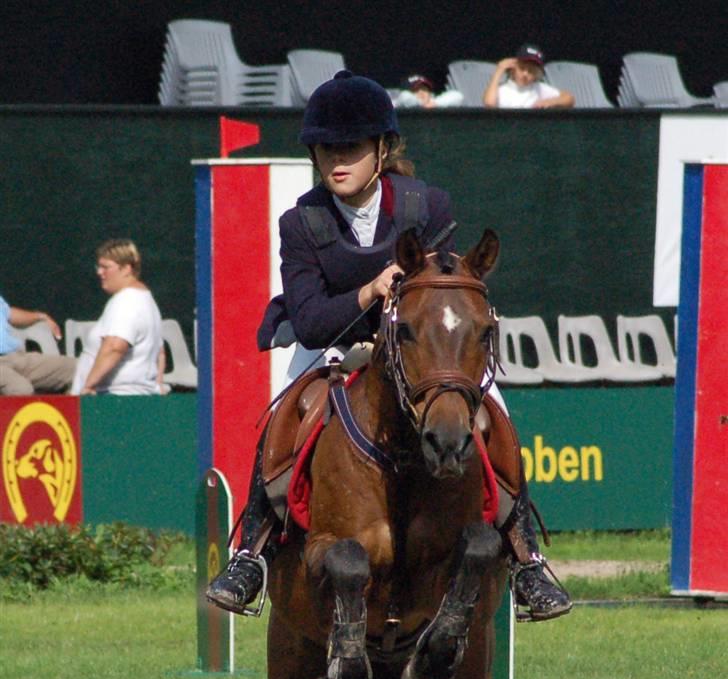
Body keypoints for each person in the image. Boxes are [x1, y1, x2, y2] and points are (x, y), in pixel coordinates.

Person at [207, 70, 571, 623]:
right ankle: (249, 554)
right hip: (334, 346)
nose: (337, 158)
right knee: (282, 419)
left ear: (381, 149)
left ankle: (527, 560)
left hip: (419, 348)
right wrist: (370, 291)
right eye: (327, 148)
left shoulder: (428, 207)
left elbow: (448, 286)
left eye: (351, 147)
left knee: (497, 413)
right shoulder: (301, 222)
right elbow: (308, 320)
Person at [71, 239, 165, 396]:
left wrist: (88, 386)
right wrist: (157, 386)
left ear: (126, 269)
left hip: (112, 401)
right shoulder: (144, 298)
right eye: (98, 266)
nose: (99, 272)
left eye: (105, 267)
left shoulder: (127, 301)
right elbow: (160, 353)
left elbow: (115, 346)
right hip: (129, 400)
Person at [0, 297, 75, 396]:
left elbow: (8, 313)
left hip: (16, 356)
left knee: (79, 369)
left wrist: (40, 316)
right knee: (21, 390)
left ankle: (70, 411)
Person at [483, 44, 575, 109]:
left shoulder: (539, 88)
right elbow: (489, 104)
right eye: (522, 68)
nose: (525, 74)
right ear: (513, 68)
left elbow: (569, 99)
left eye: (531, 71)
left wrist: (550, 102)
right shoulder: (502, 89)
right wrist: (499, 70)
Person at [397, 74, 464, 109]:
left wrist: (435, 103)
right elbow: (405, 97)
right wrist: (421, 105)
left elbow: (458, 96)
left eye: (425, 89)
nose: (422, 93)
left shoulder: (435, 102)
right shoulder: (398, 103)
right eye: (416, 90)